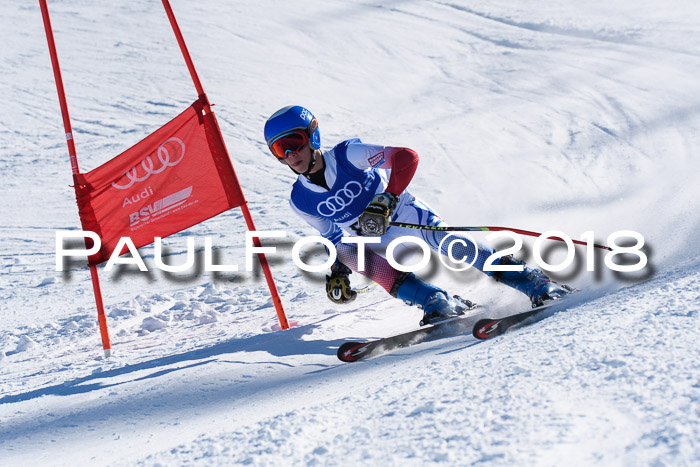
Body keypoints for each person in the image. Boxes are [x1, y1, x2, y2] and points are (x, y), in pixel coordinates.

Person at [263, 105, 571, 325]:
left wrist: (388, 196)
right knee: (349, 253)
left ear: (312, 137)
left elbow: (406, 157)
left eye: (295, 143)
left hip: (401, 214)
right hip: (368, 237)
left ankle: (535, 283)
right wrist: (337, 272)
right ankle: (434, 300)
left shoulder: (347, 156)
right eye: (280, 150)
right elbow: (332, 237)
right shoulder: (300, 199)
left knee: (452, 244)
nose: (291, 155)